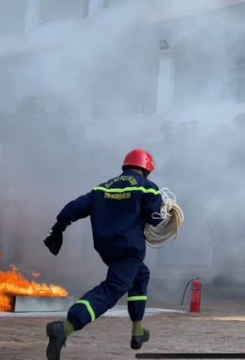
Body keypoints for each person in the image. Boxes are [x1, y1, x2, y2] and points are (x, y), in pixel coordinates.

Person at [42, 149, 164, 360]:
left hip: (107, 249)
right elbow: (155, 219)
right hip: (129, 250)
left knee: (140, 276)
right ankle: (67, 328)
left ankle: (138, 331)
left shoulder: (102, 188)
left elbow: (73, 208)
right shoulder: (148, 188)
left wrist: (57, 230)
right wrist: (165, 212)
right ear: (147, 168)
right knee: (110, 291)